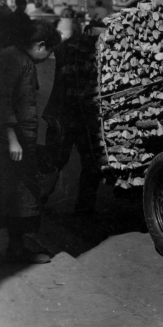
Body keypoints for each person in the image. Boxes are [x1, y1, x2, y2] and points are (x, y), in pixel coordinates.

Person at [0, 20, 62, 263]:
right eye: (50, 51)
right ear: (41, 45)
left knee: (20, 197)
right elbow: (1, 102)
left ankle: (15, 248)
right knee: (14, 194)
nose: (49, 56)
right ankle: (14, 250)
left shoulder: (23, 60)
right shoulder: (13, 59)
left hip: (23, 141)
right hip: (12, 143)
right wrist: (12, 140)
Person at [43, 18, 105, 215]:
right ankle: (38, 200)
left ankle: (39, 201)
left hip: (75, 116)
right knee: (61, 160)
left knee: (79, 162)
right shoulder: (80, 49)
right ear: (89, 32)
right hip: (69, 114)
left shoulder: (68, 47)